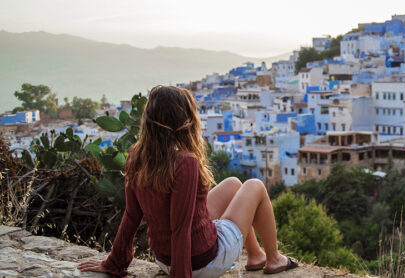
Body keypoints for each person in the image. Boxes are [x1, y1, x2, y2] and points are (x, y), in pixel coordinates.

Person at [77, 86, 297, 277]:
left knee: (232, 184)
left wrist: (115, 262)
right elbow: (180, 228)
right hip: (201, 262)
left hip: (165, 260)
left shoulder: (136, 155)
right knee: (254, 186)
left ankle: (256, 256)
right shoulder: (185, 162)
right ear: (184, 120)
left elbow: (132, 215)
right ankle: (275, 258)